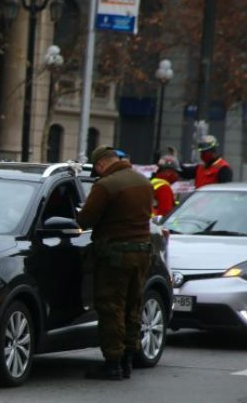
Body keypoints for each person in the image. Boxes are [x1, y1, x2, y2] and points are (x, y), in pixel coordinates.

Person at [78, 146, 154, 381]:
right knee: (133, 306)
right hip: (142, 253)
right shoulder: (143, 182)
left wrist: (79, 214)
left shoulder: (106, 185)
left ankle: (112, 364)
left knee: (111, 308)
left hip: (115, 256)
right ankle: (128, 360)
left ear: (101, 164)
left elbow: (85, 219)